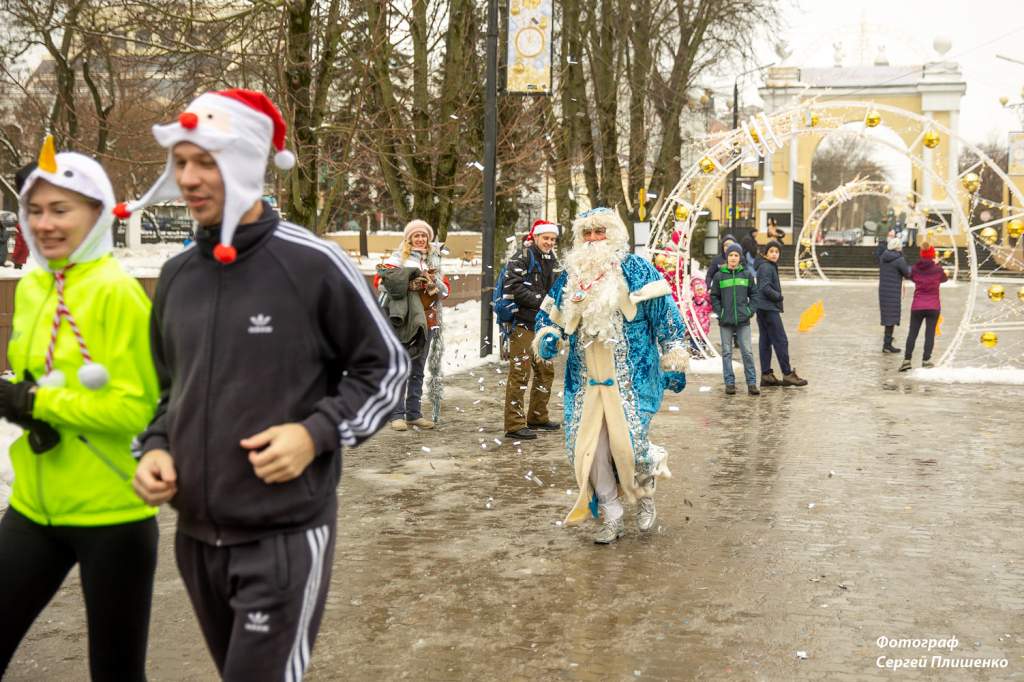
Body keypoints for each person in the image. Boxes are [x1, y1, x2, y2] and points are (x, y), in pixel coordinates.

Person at [127, 88, 409, 681]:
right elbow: (165, 392)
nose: (189, 179)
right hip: (197, 539)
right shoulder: (177, 275)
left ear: (249, 164)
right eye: (180, 163)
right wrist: (155, 447)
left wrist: (315, 434)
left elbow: (386, 367)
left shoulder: (311, 263)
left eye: (207, 161)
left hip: (283, 537)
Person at [0, 138, 160, 681]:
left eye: (61, 209)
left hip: (112, 514)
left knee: (115, 673)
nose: (45, 223)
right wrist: (22, 402)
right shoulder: (34, 286)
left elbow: (138, 410)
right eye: (35, 210)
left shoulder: (118, 293)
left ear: (96, 212)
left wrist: (45, 402)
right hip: (32, 508)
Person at [534, 207, 687, 545]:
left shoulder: (637, 269)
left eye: (599, 232)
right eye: (586, 233)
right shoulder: (571, 276)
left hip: (630, 379)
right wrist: (547, 335)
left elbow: (665, 314)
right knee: (588, 451)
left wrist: (673, 354)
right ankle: (612, 513)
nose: (592, 240)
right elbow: (550, 317)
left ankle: (644, 495)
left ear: (614, 234)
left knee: (628, 447)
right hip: (585, 382)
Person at [375, 219, 450, 431]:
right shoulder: (397, 258)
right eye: (416, 236)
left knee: (418, 369)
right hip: (403, 321)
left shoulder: (434, 260)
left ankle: (413, 413)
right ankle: (396, 414)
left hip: (428, 319)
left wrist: (434, 284)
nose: (420, 239)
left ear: (428, 239)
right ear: (409, 239)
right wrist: (409, 285)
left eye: (423, 236)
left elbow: (445, 291)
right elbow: (381, 283)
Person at [502, 219, 560, 440]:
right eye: (546, 238)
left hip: (543, 324)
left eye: (552, 239)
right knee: (520, 372)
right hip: (523, 323)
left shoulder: (551, 259)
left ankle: (537, 416)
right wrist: (543, 301)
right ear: (535, 237)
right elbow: (513, 288)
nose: (549, 242)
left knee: (546, 371)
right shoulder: (522, 257)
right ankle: (514, 425)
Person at [753, 240, 807, 387]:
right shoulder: (766, 267)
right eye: (771, 251)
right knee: (781, 340)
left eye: (777, 252)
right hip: (769, 308)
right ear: (766, 253)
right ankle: (788, 373)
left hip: (762, 308)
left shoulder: (766, 266)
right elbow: (764, 287)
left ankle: (766, 375)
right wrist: (778, 296)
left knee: (765, 341)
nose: (774, 254)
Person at [710, 243, 759, 395]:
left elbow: (755, 295)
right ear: (727, 257)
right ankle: (729, 383)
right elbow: (714, 296)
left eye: (736, 255)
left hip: (743, 321)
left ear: (740, 258)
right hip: (726, 321)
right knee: (726, 353)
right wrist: (721, 313)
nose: (733, 258)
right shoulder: (719, 276)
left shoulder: (746, 275)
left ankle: (751, 383)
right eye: (731, 255)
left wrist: (749, 311)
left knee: (747, 352)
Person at [900, 242, 947, 371]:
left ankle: (907, 360)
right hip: (933, 306)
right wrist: (937, 265)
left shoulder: (915, 269)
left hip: (917, 306)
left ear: (921, 254)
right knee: (929, 334)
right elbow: (944, 279)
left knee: (912, 333)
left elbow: (910, 276)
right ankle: (926, 360)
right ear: (932, 255)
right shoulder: (938, 270)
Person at [878, 236, 910, 353]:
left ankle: (887, 343)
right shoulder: (899, 260)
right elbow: (907, 273)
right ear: (898, 247)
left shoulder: (883, 257)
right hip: (893, 292)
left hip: (884, 291)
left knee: (888, 317)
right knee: (891, 318)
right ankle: (887, 345)